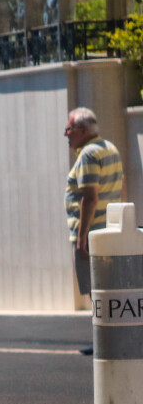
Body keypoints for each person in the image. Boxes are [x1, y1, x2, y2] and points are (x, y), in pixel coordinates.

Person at [64, 107, 124, 354]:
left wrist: (81, 239)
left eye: (69, 129)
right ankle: (112, 339)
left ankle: (103, 342)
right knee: (109, 288)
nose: (65, 133)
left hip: (91, 233)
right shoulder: (109, 148)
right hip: (108, 229)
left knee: (96, 291)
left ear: (83, 131)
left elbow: (89, 197)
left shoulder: (88, 155)